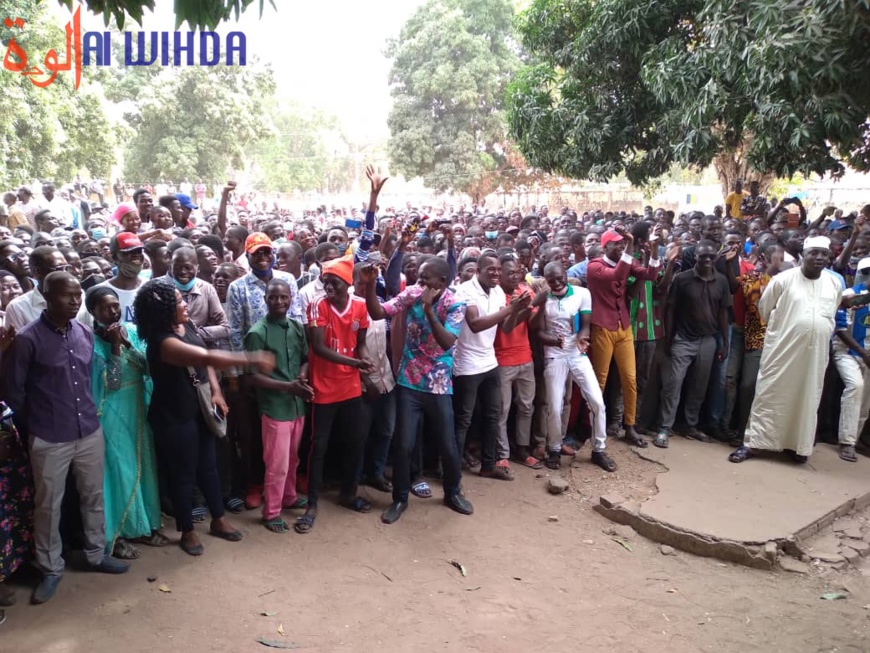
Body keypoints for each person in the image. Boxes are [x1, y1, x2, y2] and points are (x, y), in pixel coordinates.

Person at [2, 272, 130, 605]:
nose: (74, 301)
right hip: (49, 436)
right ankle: (50, 568)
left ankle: (95, 553)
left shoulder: (83, 332)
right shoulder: (27, 339)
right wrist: (37, 424)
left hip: (88, 429)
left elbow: (87, 379)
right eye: (66, 295)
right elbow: (13, 391)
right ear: (47, 297)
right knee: (48, 505)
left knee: (93, 495)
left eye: (77, 295)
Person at [133, 278, 274, 555]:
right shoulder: (163, 343)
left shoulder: (184, 325)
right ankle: (187, 531)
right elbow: (204, 356)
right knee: (183, 475)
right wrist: (251, 358)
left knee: (209, 466)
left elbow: (204, 359)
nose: (185, 304)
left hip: (199, 408)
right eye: (179, 301)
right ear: (164, 309)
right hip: (174, 416)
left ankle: (218, 520)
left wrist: (216, 392)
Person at [360, 257, 473, 525]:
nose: (419, 282)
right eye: (419, 277)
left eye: (425, 278)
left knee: (447, 443)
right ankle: (400, 499)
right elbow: (378, 313)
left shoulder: (456, 304)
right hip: (409, 382)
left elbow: (446, 342)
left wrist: (429, 310)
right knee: (404, 444)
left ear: (442, 282)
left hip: (438, 384)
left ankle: (452, 492)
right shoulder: (412, 293)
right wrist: (370, 285)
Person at [730, 237, 843, 463]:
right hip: (782, 350)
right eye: (814, 253)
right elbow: (765, 309)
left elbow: (832, 312)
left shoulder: (834, 283)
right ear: (803, 255)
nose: (819, 257)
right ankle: (753, 443)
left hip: (814, 355)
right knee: (769, 394)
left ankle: (796, 445)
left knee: (806, 398)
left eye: (823, 253)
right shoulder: (783, 280)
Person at [86, 286, 166, 560]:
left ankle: (142, 525)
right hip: (111, 411)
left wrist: (127, 343)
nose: (113, 311)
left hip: (138, 405)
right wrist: (115, 347)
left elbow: (149, 367)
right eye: (105, 308)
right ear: (93, 312)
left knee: (143, 464)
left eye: (115, 305)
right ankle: (117, 534)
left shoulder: (131, 330)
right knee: (120, 469)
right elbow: (112, 382)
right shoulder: (92, 344)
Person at [297, 256, 373, 534]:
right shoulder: (318, 305)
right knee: (318, 446)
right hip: (324, 387)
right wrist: (356, 363)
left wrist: (365, 360)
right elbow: (318, 347)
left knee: (356, 440)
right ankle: (312, 504)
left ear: (348, 283)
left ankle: (348, 493)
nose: (328, 286)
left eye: (334, 282)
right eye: (326, 281)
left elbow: (360, 344)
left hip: (350, 386)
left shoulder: (360, 306)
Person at [226, 233, 302, 510]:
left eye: (267, 252)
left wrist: (298, 368)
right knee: (255, 434)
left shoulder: (287, 280)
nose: (263, 257)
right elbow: (235, 331)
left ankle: (286, 490)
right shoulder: (238, 287)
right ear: (247, 256)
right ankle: (256, 485)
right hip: (256, 370)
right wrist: (241, 373)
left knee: (285, 436)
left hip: (287, 368)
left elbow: (298, 318)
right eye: (257, 252)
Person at [453, 252, 529, 480]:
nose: (496, 274)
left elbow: (505, 327)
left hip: (489, 361)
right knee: (464, 419)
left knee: (493, 414)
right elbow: (475, 324)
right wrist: (510, 308)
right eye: (491, 270)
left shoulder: (496, 291)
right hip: (467, 363)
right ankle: (452, 469)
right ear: (478, 271)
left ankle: (488, 465)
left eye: (498, 270)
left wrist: (518, 309)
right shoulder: (465, 290)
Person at [244, 279, 313, 533]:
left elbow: (305, 358)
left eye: (283, 297)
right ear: (265, 300)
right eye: (273, 297)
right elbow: (251, 377)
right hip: (275, 407)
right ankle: (271, 512)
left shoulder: (296, 327)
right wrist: (288, 387)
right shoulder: (257, 333)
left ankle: (289, 496)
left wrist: (301, 377)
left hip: (296, 405)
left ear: (290, 298)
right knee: (277, 463)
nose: (279, 301)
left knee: (292, 458)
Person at [531, 262, 613, 471]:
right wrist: (552, 338)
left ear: (566, 275)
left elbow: (585, 323)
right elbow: (537, 331)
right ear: (546, 281)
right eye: (551, 281)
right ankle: (554, 449)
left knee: (596, 401)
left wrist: (583, 338)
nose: (557, 283)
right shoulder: (544, 298)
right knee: (554, 405)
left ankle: (599, 449)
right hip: (554, 354)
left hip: (577, 352)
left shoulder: (582, 293)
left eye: (560, 278)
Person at [585, 227, 661, 447]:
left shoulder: (627, 261)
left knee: (630, 379)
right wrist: (630, 244)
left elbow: (651, 275)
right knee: (600, 380)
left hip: (624, 327)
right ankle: (593, 425)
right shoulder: (595, 266)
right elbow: (617, 275)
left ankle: (629, 426)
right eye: (617, 243)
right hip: (603, 327)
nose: (621, 247)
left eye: (623, 243)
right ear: (605, 246)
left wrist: (654, 249)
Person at [653, 241, 731, 448]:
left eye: (711, 256)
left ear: (716, 257)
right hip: (683, 339)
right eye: (703, 256)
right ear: (695, 256)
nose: (707, 260)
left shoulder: (721, 281)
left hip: (708, 340)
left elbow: (723, 313)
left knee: (699, 386)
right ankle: (664, 428)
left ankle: (690, 425)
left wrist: (725, 342)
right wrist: (668, 337)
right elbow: (671, 309)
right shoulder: (682, 279)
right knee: (673, 385)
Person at [352, 262, 397, 493]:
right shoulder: (349, 306)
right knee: (360, 435)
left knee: (386, 431)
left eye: (369, 282)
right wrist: (366, 380)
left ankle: (376, 473)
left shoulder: (378, 304)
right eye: (361, 282)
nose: (365, 287)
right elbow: (349, 350)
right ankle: (355, 477)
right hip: (361, 384)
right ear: (353, 282)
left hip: (386, 379)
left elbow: (386, 340)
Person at [495, 254, 539, 468]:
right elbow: (506, 327)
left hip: (525, 356)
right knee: (502, 410)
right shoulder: (495, 295)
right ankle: (502, 454)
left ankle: (522, 449)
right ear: (500, 275)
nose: (515, 276)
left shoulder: (526, 291)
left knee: (526, 407)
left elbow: (533, 324)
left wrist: (537, 306)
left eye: (517, 272)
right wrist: (521, 308)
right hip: (502, 359)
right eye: (509, 273)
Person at [831, 257, 870, 462]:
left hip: (867, 355)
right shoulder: (851, 295)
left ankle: (855, 438)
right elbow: (840, 329)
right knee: (856, 386)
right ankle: (846, 441)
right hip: (847, 352)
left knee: (865, 401)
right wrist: (863, 353)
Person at [78, 233, 146, 327]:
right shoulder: (100, 292)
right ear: (114, 257)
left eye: (139, 251)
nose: (136, 256)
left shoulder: (150, 287)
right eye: (129, 252)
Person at [5, 246, 68, 331]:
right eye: (59, 269)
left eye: (67, 268)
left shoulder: (78, 297)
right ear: (37, 271)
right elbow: (17, 339)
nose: (65, 274)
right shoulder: (18, 307)